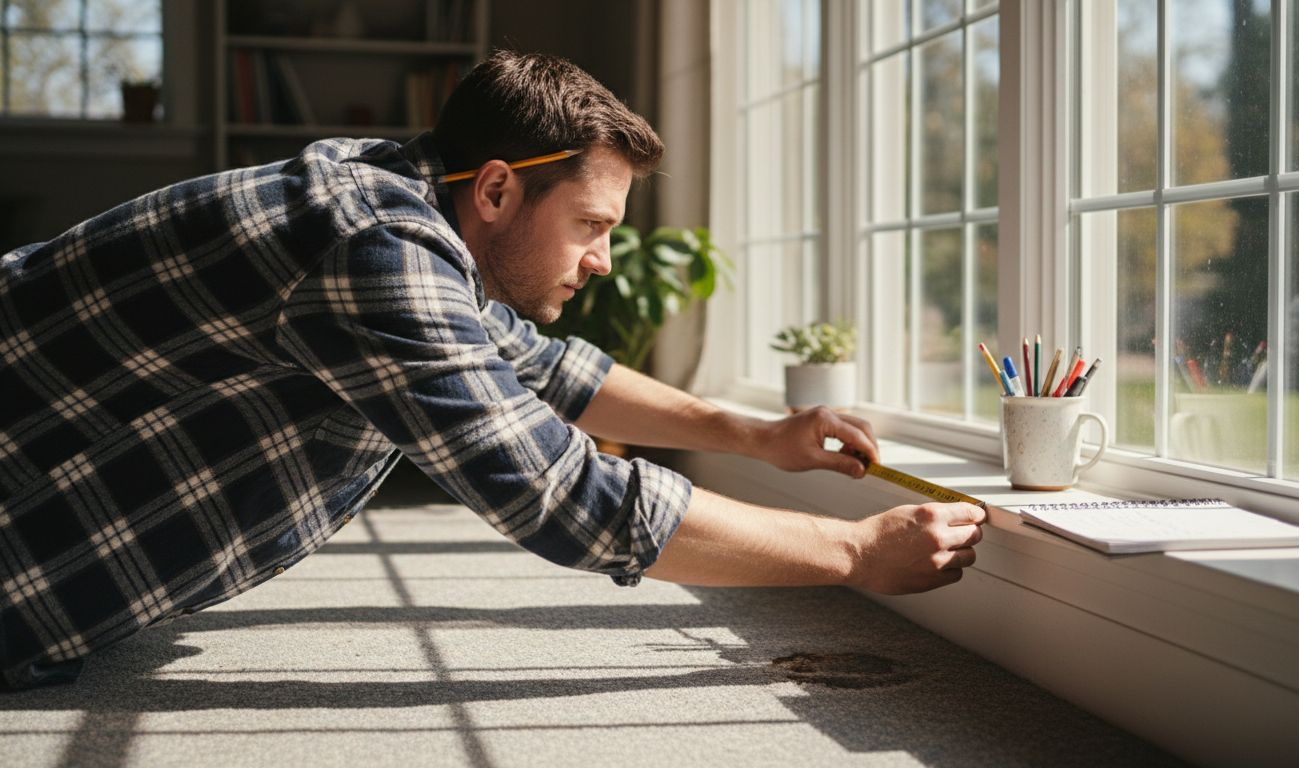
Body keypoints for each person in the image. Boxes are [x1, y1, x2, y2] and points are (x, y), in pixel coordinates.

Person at [0, 50, 984, 690]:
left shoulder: (403, 203)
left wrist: (749, 432)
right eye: (594, 225)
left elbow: (546, 369)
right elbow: (560, 493)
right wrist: (854, 554)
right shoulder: (377, 244)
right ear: (504, 188)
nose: (603, 258)